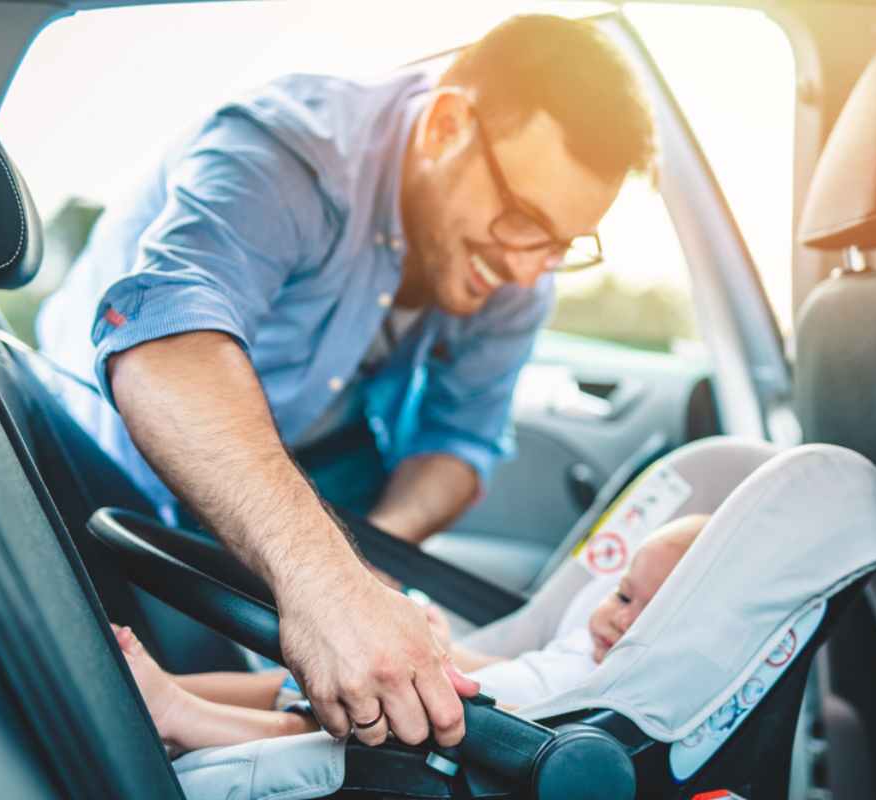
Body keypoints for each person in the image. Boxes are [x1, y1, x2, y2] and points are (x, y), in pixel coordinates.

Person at [36, 14, 655, 750]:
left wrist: (367, 567)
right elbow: (165, 345)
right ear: (447, 126)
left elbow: (460, 441)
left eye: (562, 244)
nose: (528, 270)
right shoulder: (288, 151)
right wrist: (322, 580)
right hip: (114, 456)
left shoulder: (519, 267)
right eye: (523, 220)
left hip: (308, 458)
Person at [114, 516, 707, 756]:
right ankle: (157, 686)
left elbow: (534, 706)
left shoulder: (619, 689)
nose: (621, 620)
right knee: (286, 679)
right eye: (623, 597)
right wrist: (446, 647)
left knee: (317, 723)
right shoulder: (585, 644)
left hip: (457, 726)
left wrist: (447, 682)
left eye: (646, 619)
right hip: (448, 683)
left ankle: (184, 716)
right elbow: (513, 665)